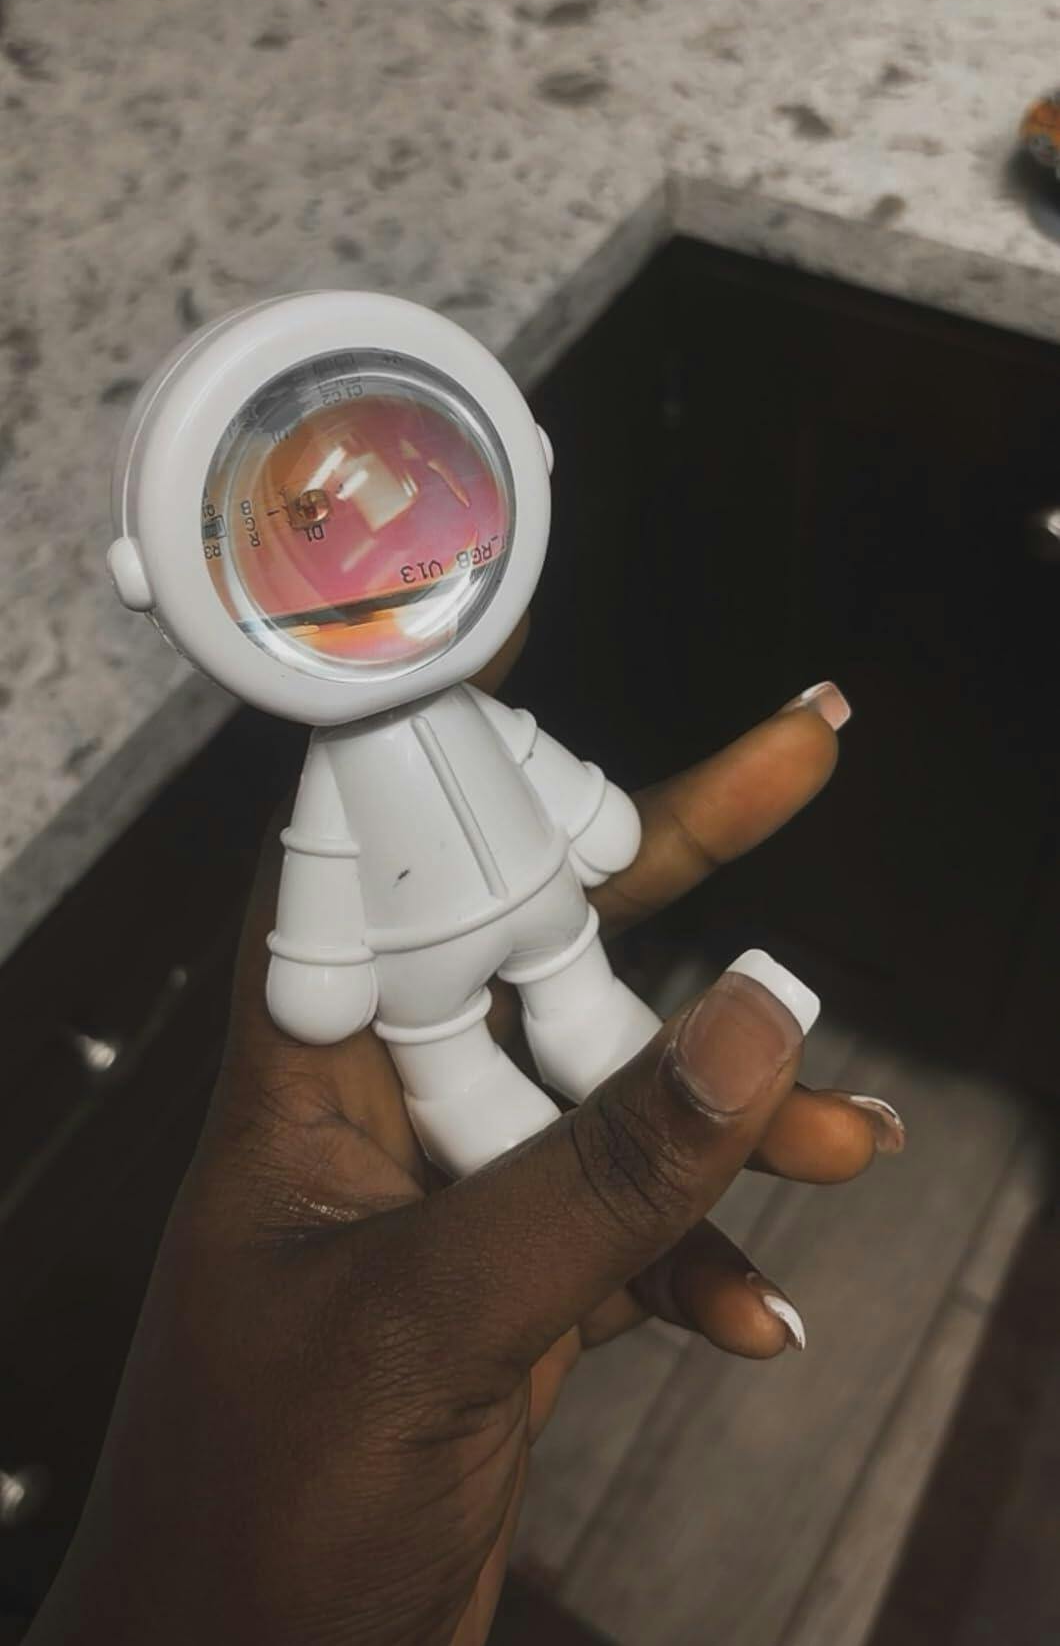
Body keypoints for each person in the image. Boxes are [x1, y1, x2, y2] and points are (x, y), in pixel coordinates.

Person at [27, 674, 902, 1646]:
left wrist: (589, 812)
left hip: (550, 927)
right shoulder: (338, 769)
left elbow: (527, 754)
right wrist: (321, 962)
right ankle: (506, 1118)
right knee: (463, 1077)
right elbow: (323, 856)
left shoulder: (451, 709)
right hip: (431, 988)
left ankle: (578, 1066)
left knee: (592, 1019)